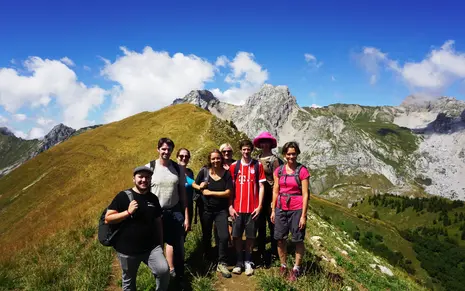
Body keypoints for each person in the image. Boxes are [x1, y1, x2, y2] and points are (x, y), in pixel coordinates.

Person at [105, 166, 169, 291]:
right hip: (127, 250)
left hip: (151, 248)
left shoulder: (153, 198)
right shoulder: (123, 196)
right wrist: (127, 212)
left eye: (147, 177)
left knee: (163, 271)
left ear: (150, 179)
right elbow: (108, 218)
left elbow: (158, 223)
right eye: (140, 177)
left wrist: (161, 245)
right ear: (134, 179)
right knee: (129, 282)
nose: (144, 180)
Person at [145, 138, 190, 287]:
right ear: (158, 149)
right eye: (163, 149)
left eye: (169, 149)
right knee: (156, 246)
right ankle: (161, 276)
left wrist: (186, 216)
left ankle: (179, 275)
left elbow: (183, 194)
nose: (166, 152)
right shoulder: (150, 167)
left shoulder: (177, 168)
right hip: (155, 214)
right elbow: (143, 191)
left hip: (174, 211)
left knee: (178, 245)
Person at [271, 141, 310, 281]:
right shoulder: (279, 171)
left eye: (294, 154)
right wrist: (273, 210)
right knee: (280, 239)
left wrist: (303, 216)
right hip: (281, 207)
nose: (291, 156)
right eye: (288, 154)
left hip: (297, 209)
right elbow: (275, 190)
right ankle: (283, 265)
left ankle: (296, 268)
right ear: (284, 155)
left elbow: (305, 194)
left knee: (297, 239)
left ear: (297, 153)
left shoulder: (303, 171)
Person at [192, 149, 233, 278]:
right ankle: (208, 259)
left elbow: (228, 192)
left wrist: (210, 193)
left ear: (221, 159)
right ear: (210, 160)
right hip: (205, 209)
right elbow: (194, 183)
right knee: (206, 235)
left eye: (218, 158)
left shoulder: (226, 174)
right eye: (213, 159)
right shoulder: (204, 172)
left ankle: (222, 262)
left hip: (221, 210)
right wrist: (200, 187)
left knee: (224, 236)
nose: (216, 161)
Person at [229, 139, 265, 276]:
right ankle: (239, 261)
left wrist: (260, 206)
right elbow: (230, 189)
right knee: (237, 236)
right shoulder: (234, 166)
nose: (246, 152)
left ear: (252, 150)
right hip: (237, 208)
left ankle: (248, 261)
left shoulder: (257, 166)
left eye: (248, 149)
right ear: (240, 150)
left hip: (252, 209)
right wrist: (230, 206)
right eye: (243, 149)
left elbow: (261, 187)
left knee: (250, 236)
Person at [253, 131, 283, 267]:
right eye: (262, 142)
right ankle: (260, 252)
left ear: (271, 144)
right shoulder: (257, 158)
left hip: (271, 195)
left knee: (272, 225)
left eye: (267, 142)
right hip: (259, 196)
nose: (265, 144)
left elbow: (278, 181)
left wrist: (274, 200)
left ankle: (273, 253)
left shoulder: (275, 160)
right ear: (260, 144)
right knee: (260, 225)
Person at [219, 143, 236, 246]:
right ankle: (221, 246)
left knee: (232, 222)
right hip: (220, 197)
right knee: (220, 224)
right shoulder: (217, 163)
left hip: (235, 197)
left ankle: (232, 246)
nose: (226, 153)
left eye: (229, 151)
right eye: (224, 151)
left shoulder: (236, 164)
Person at [176, 148, 195, 239]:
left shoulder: (190, 172)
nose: (184, 158)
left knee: (184, 233)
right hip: (177, 207)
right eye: (181, 156)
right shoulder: (174, 172)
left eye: (187, 156)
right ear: (177, 157)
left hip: (189, 206)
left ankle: (182, 252)